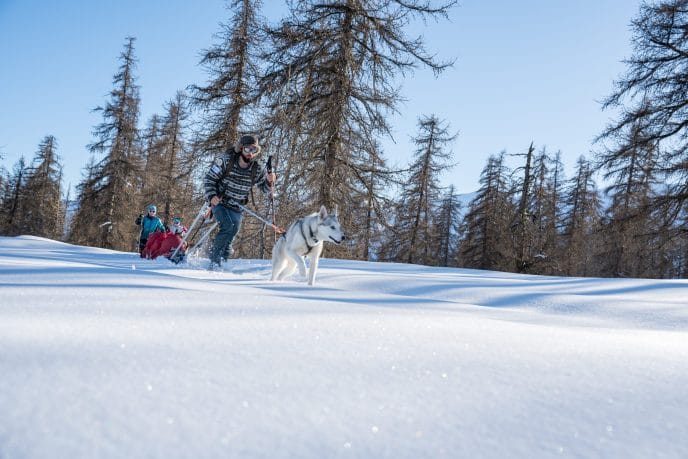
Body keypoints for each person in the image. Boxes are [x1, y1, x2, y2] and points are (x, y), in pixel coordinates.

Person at [203, 134, 276, 269]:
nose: (250, 154)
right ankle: (214, 261)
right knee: (227, 227)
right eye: (248, 149)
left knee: (233, 231)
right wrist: (211, 195)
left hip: (237, 206)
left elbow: (265, 189)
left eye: (254, 150)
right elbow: (209, 179)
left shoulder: (257, 168)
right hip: (220, 202)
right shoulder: (226, 161)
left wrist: (269, 180)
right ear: (241, 149)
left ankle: (222, 261)